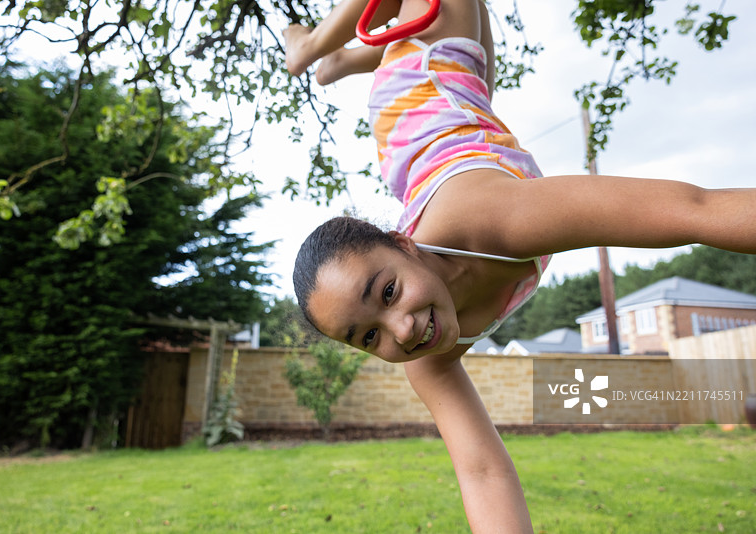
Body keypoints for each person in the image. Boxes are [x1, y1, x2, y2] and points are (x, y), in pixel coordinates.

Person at [284, 1, 756, 532]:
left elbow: (695, 211)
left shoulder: (498, 223)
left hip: (418, 85)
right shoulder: (424, 352)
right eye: (368, 338)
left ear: (406, 242)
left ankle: (315, 48)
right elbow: (482, 470)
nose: (402, 330)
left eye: (388, 292)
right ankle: (343, 62)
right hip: (458, 108)